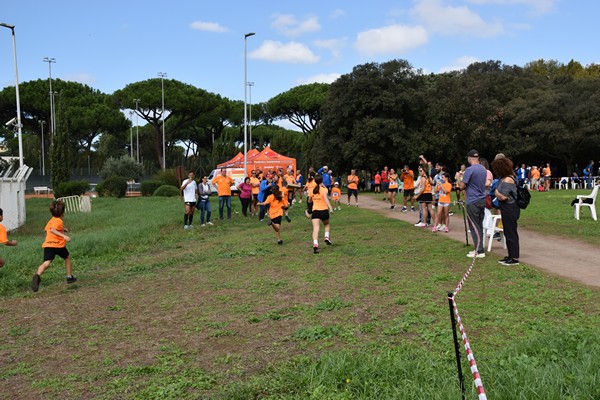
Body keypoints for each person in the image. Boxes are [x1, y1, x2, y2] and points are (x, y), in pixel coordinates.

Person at [31, 200, 76, 292]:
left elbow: (47, 229)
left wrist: (63, 229)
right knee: (67, 257)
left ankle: (37, 276)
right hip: (58, 246)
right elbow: (52, 230)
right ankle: (69, 277)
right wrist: (64, 236)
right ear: (62, 213)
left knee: (46, 263)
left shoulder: (51, 221)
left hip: (48, 245)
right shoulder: (59, 221)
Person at [457, 150, 487, 258]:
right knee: (479, 225)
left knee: (474, 226)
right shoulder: (483, 169)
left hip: (473, 200)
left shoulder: (469, 170)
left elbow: (461, 186)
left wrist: (458, 178)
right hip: (482, 199)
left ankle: (479, 250)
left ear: (470, 158)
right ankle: (480, 248)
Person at [491, 157, 521, 266]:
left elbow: (502, 196)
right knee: (507, 232)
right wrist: (497, 193)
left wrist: (497, 193)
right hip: (506, 208)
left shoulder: (508, 179)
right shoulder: (503, 178)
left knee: (511, 232)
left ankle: (514, 257)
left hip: (510, 208)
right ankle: (510, 255)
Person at [308, 174, 334, 254]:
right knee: (326, 225)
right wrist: (330, 207)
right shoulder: (324, 190)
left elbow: (309, 201)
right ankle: (326, 236)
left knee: (316, 228)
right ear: (322, 181)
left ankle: (315, 244)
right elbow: (326, 198)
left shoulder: (312, 190)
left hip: (315, 211)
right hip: (324, 210)